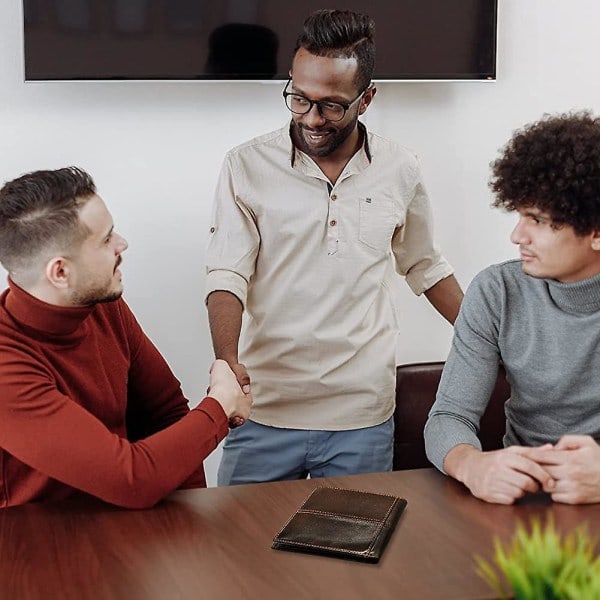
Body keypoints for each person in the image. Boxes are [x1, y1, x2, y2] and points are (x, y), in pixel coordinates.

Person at [205, 9, 463, 485]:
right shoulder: (245, 165)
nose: (312, 119)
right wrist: (227, 362)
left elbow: (426, 266)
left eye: (331, 105)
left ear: (366, 99)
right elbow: (227, 274)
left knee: (350, 559)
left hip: (361, 415)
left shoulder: (400, 168)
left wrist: (487, 340)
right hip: (265, 409)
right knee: (244, 555)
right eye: (299, 100)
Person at [0, 166, 251, 509]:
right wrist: (220, 404)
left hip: (123, 535)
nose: (122, 244)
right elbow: (131, 480)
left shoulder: (102, 305)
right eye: (106, 239)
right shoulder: (6, 367)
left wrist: (192, 527)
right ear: (60, 272)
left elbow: (167, 413)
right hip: (35, 548)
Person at [425, 111, 600, 505]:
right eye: (520, 215)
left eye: (537, 220)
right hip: (521, 500)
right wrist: (473, 465)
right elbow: (448, 417)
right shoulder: (497, 291)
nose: (516, 235)